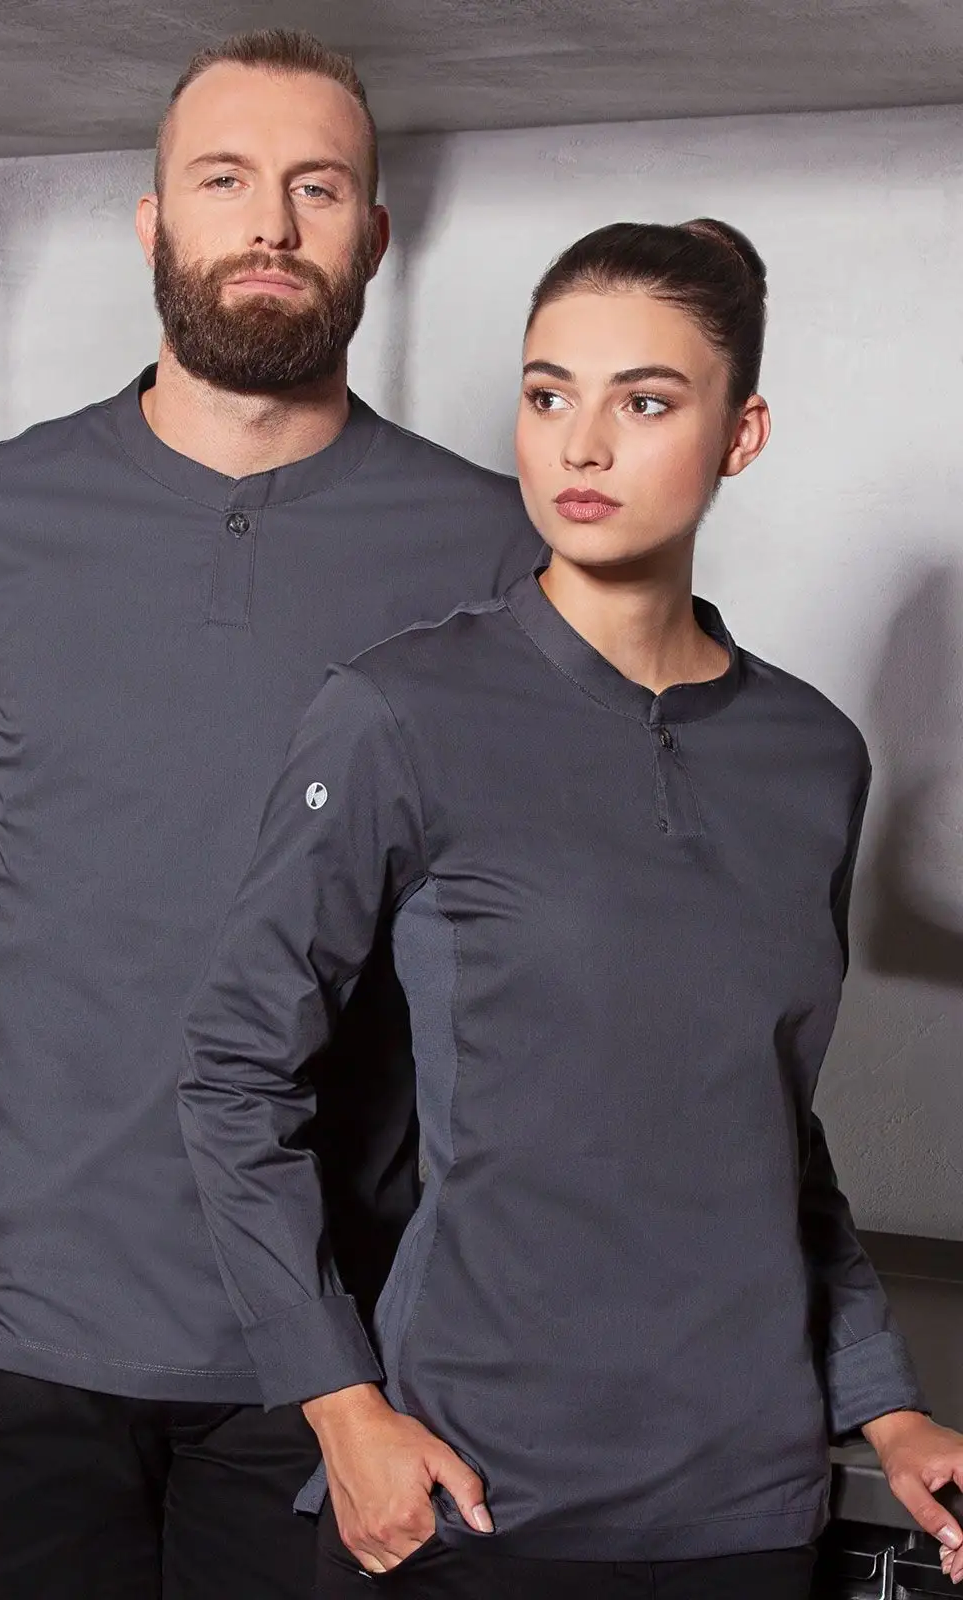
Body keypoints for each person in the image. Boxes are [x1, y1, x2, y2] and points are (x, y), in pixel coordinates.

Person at [0, 29, 541, 1600]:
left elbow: (541, 953)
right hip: (18, 1329)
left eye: (315, 188)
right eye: (224, 181)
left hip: (338, 1361)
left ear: (372, 236)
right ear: (153, 225)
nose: (269, 223)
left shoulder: (491, 550)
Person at [180, 218, 963, 1599]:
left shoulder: (812, 755)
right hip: (474, 1496)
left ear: (741, 434)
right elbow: (235, 1072)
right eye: (549, 396)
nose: (581, 446)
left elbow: (765, 1121)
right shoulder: (397, 712)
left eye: (644, 402)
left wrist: (885, 1403)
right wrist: (340, 1405)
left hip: (745, 1504)